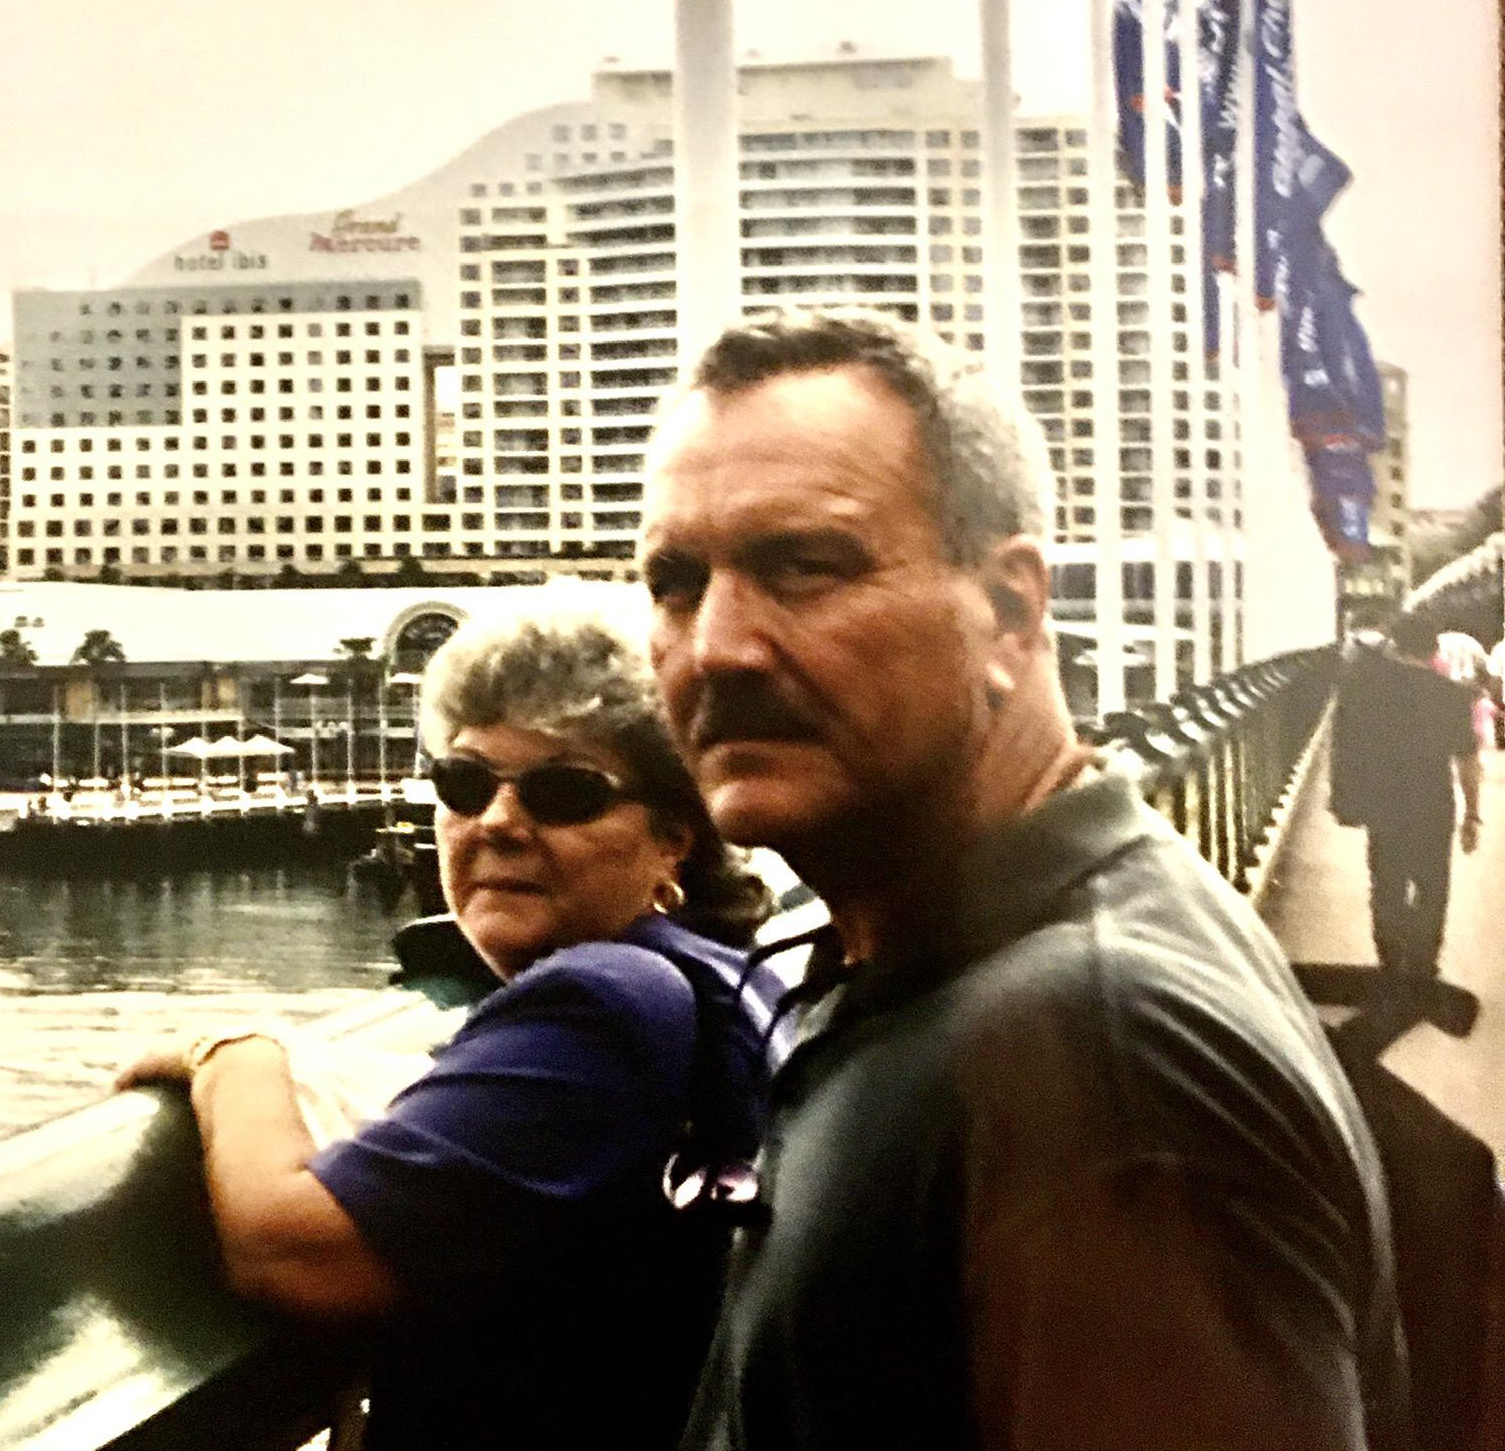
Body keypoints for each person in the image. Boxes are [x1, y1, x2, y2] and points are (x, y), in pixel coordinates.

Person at [638, 307, 1410, 1451]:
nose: (716, 646)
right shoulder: (941, 957)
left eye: (802, 566)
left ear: (1008, 609)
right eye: (673, 582)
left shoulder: (1104, 1062)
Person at [116, 584, 777, 1451]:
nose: (496, 820)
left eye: (564, 791)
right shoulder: (728, 979)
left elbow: (296, 1254)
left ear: (673, 836)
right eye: (463, 782)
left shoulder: (605, 997)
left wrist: (234, 1054)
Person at [1333, 615, 1483, 985]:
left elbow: (1349, 747)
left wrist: (1345, 798)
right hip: (1433, 803)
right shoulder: (1452, 695)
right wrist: (1472, 815)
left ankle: (1391, 960)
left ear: (1394, 647)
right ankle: (1422, 965)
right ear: (1434, 650)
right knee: (1433, 886)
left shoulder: (1370, 692)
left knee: (1386, 883)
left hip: (1384, 803)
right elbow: (1468, 762)